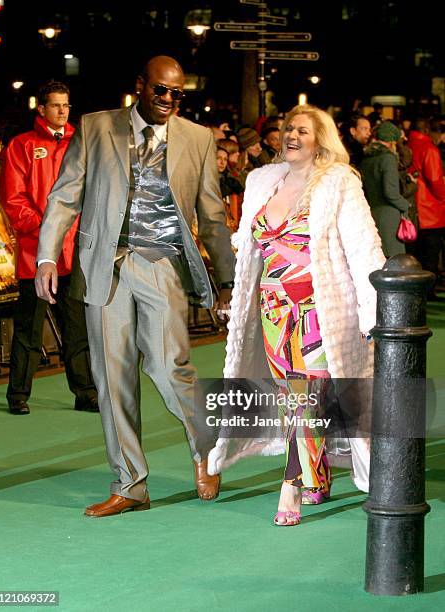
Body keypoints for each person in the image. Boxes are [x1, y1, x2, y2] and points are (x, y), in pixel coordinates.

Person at [35, 56, 235, 517]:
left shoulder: (199, 139)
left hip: (161, 264)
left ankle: (207, 450)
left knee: (171, 368)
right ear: (140, 86)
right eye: (161, 91)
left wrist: (227, 279)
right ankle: (130, 485)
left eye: (177, 94)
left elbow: (211, 216)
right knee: (111, 378)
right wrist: (48, 254)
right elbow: (66, 195)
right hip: (105, 265)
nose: (168, 100)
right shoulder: (96, 126)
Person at [207, 104, 385, 525]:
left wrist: (372, 310)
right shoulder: (262, 181)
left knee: (305, 397)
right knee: (295, 399)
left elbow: (364, 248)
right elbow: (248, 242)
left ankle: (290, 486)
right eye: (288, 128)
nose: (291, 136)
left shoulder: (339, 182)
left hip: (317, 310)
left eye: (302, 131)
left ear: (320, 139)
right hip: (272, 312)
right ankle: (316, 476)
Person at [0, 80, 98, 416]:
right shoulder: (21, 146)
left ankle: (85, 391)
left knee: (77, 326)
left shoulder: (81, 143)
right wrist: (46, 229)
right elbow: (12, 199)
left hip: (74, 250)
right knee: (29, 328)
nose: (62, 111)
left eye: (66, 105)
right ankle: (18, 395)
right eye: (55, 105)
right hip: (35, 253)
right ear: (40, 108)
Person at [359, 121, 410, 257]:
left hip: (372, 214)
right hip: (390, 219)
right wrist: (405, 205)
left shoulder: (367, 158)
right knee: (394, 262)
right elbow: (390, 192)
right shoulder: (388, 158)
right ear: (392, 141)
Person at [408, 118, 445, 300]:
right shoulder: (429, 149)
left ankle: (414, 292)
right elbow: (436, 180)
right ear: (430, 131)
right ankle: (427, 292)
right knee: (430, 255)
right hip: (430, 211)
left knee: (414, 254)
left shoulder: (407, 145)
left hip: (413, 209)